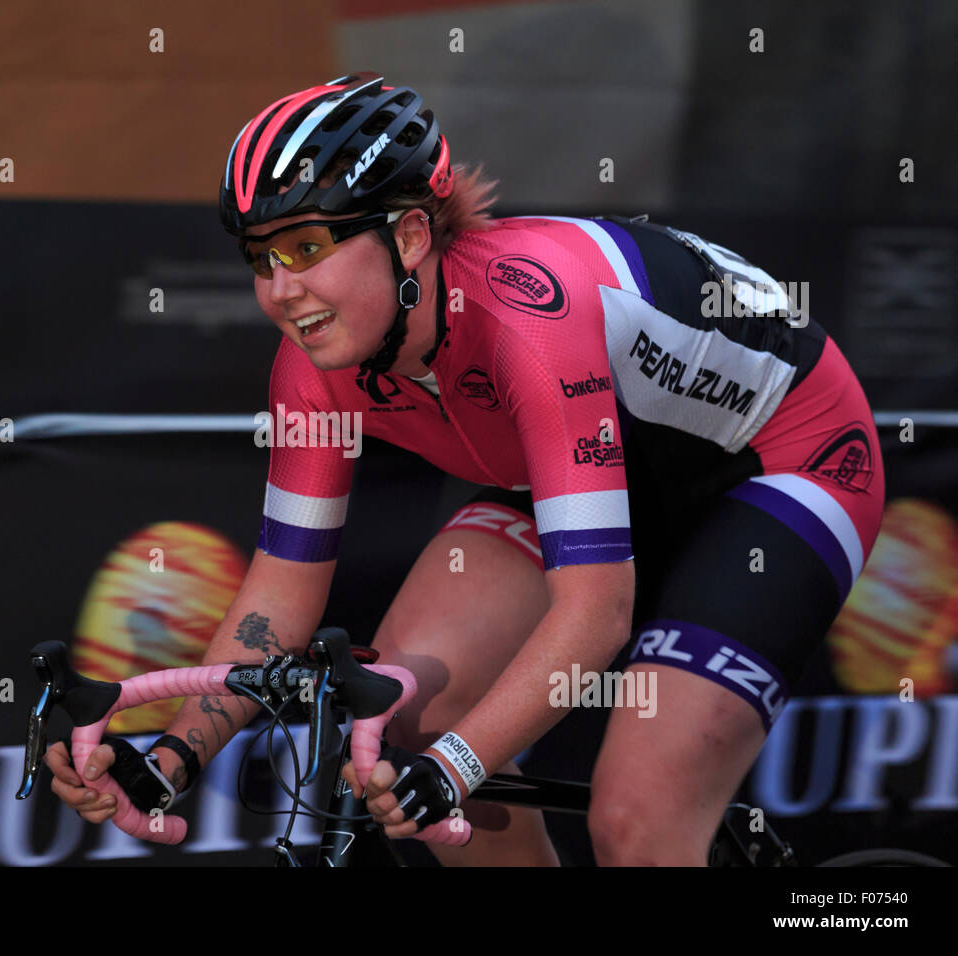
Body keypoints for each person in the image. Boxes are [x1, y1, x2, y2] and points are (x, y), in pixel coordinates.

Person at [45, 71, 884, 865]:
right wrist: (173, 757)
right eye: (260, 257)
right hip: (597, 467)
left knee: (634, 817)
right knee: (406, 720)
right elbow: (281, 594)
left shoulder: (528, 321)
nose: (280, 288)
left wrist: (455, 768)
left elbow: (596, 612)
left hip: (780, 463)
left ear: (409, 235)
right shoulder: (311, 366)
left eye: (304, 246)